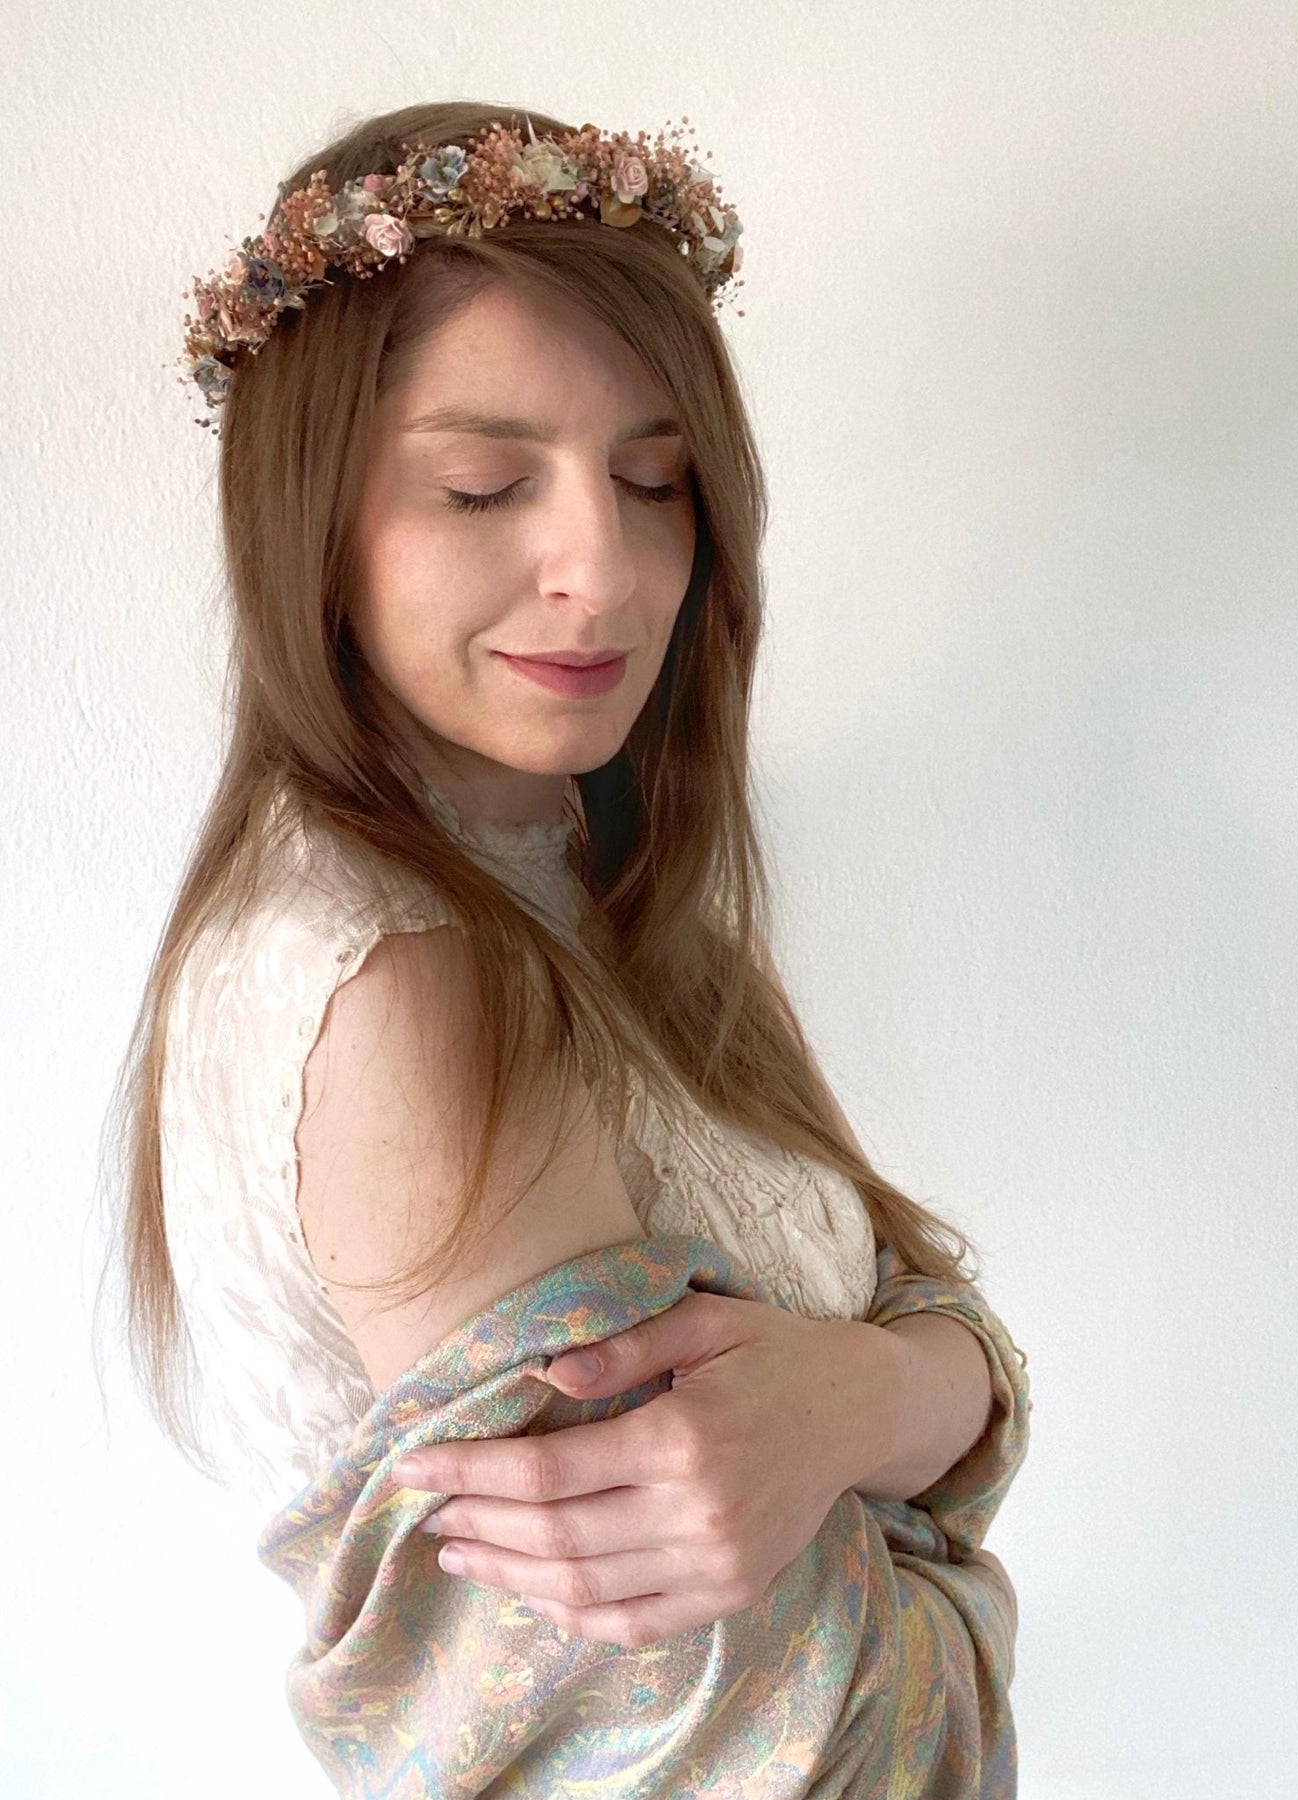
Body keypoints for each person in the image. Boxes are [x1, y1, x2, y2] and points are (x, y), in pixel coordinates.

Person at [106, 100, 1030, 1792]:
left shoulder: (620, 902)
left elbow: (926, 1310)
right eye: (483, 484)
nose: (601, 570)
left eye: (654, 480)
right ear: (313, 517)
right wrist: (931, 1460)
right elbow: (736, 1717)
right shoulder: (400, 979)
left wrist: (848, 1402)